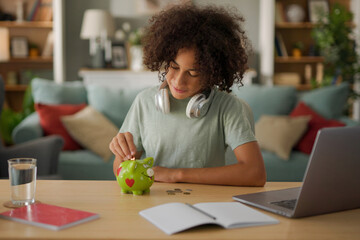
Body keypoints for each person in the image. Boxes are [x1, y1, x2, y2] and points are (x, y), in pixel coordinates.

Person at [109, 4, 266, 186]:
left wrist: (175, 175)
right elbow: (120, 170)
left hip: (205, 205)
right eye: (174, 67)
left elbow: (255, 174)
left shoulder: (227, 108)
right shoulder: (144, 102)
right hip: (154, 205)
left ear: (212, 74)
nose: (178, 81)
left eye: (193, 73)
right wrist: (121, 156)